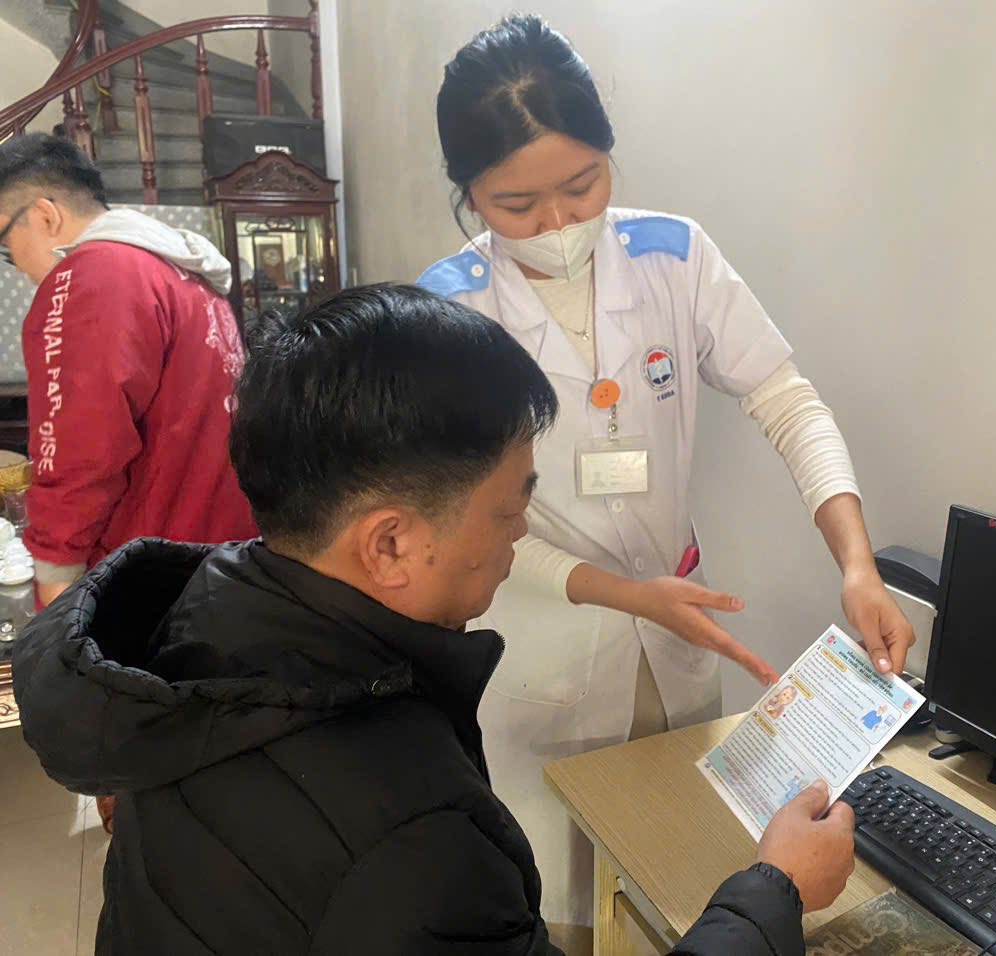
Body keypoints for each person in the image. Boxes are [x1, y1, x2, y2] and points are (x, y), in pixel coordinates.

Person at [13, 285, 858, 955]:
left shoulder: (196, 621)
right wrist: (774, 891)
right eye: (511, 510)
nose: (519, 535)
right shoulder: (411, 833)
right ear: (389, 544)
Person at [418, 14, 914, 933]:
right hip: (541, 646)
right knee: (562, 905)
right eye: (517, 204)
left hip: (675, 637)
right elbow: (459, 526)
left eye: (583, 185)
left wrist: (856, 562)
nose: (559, 224)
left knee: (683, 884)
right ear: (469, 192)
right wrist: (623, 594)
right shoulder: (448, 311)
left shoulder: (674, 256)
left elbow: (787, 400)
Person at [0, 133, 258, 832]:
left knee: (142, 773)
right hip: (220, 555)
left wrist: (55, 588)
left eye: (7, 245)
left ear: (45, 215)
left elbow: (75, 449)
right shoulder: (184, 273)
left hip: (143, 575)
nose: (16, 265)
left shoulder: (91, 276)